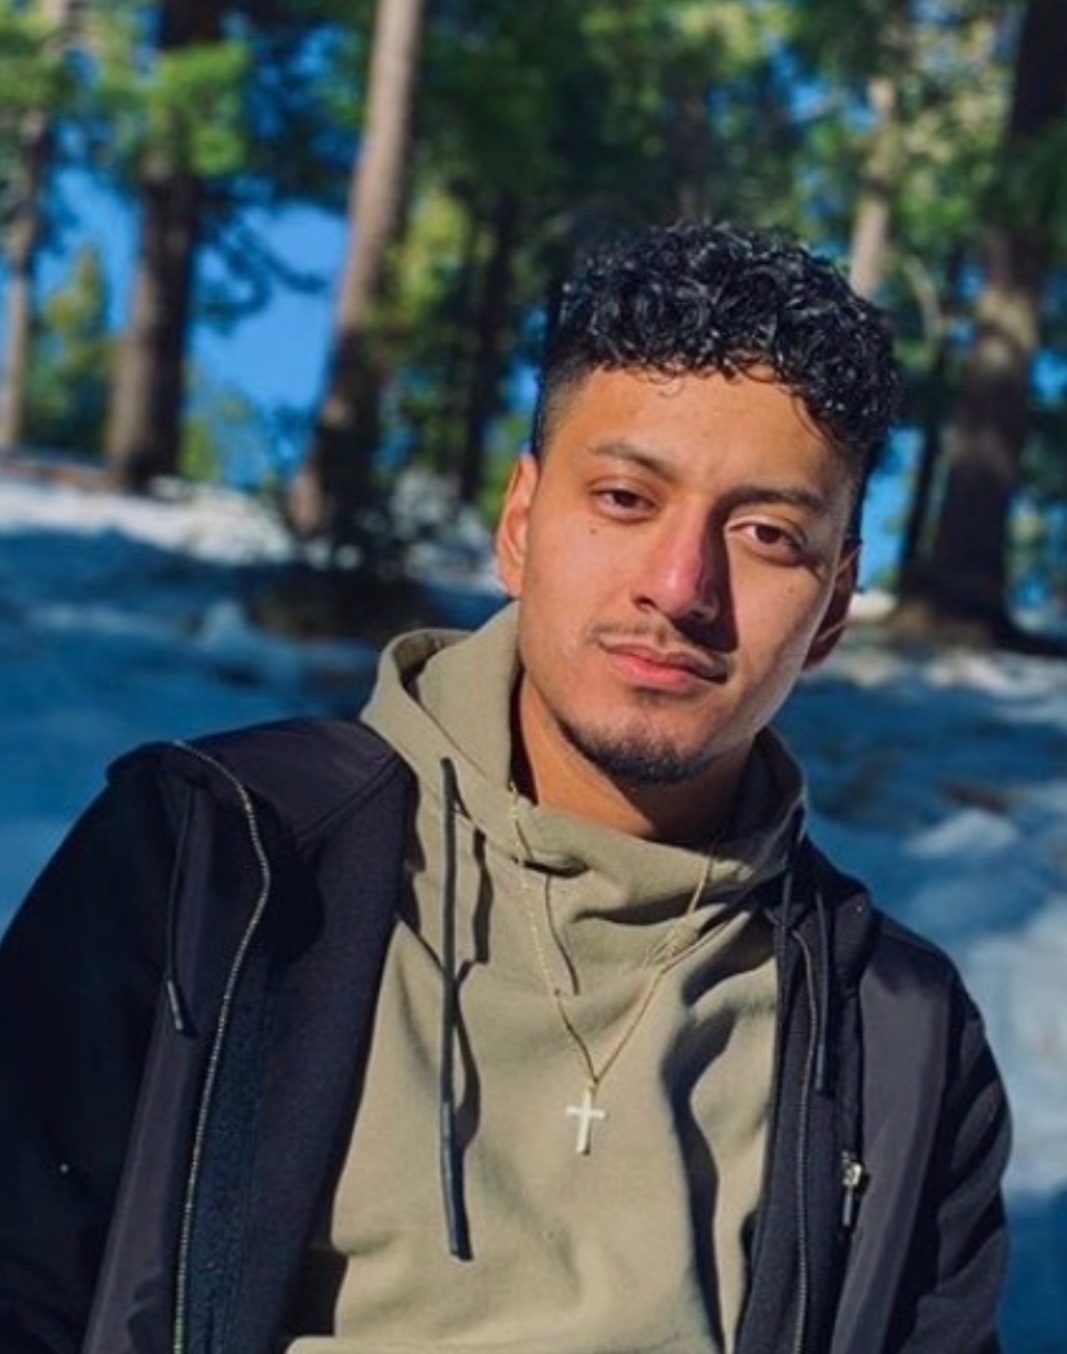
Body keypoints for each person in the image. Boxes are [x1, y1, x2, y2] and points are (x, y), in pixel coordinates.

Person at [0, 221, 1010, 1354]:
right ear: (520, 525)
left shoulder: (900, 1043)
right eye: (624, 498)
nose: (680, 586)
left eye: (767, 533)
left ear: (831, 607)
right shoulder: (211, 862)